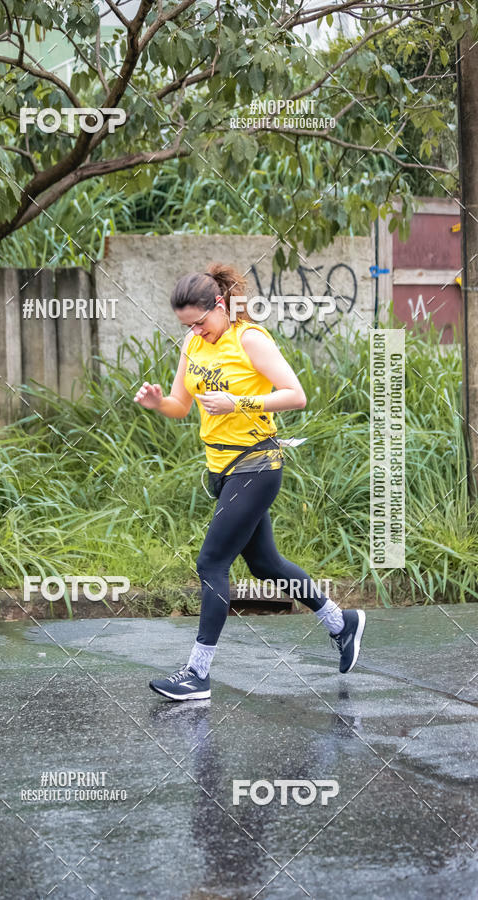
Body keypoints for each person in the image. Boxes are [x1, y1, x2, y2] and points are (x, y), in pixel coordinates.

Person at [134, 262, 366, 701]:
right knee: (265, 564)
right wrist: (157, 402)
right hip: (220, 469)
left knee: (211, 564)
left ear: (220, 306)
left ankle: (197, 675)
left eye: (201, 322)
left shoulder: (250, 339)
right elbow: (181, 406)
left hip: (257, 463)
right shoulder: (192, 343)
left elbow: (295, 394)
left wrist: (238, 401)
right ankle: (341, 622)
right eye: (188, 326)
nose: (196, 331)